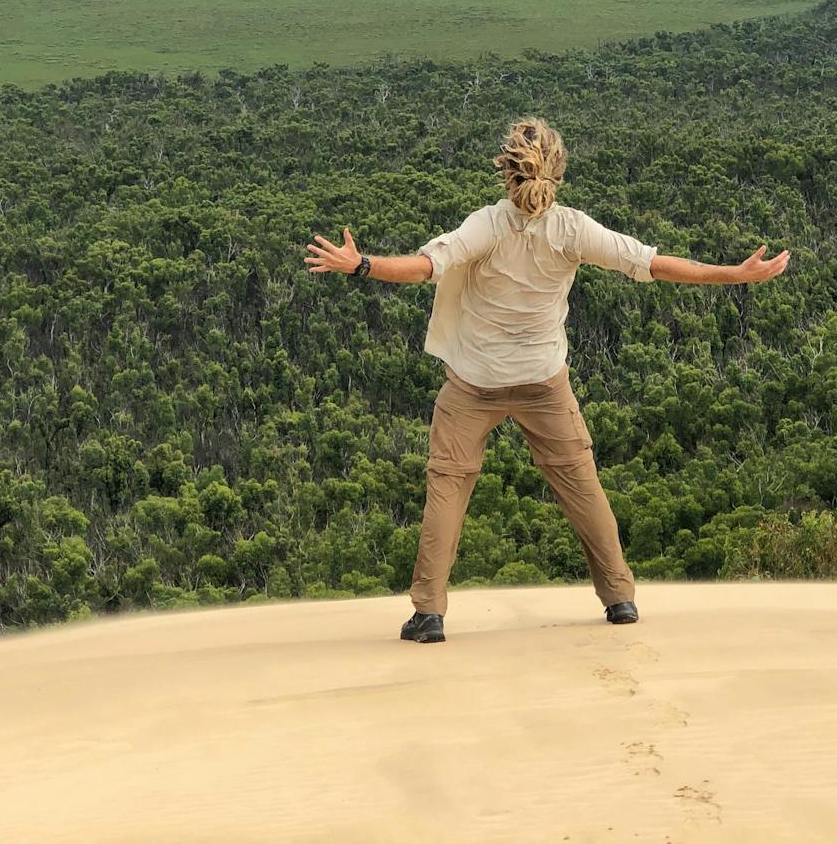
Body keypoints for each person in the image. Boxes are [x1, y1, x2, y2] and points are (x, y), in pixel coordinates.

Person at [305, 117, 790, 643]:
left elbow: (427, 266)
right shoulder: (572, 229)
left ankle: (429, 614)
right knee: (581, 484)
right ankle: (620, 598)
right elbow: (648, 264)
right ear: (558, 172)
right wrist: (733, 275)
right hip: (543, 379)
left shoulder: (486, 226)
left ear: (505, 172)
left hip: (474, 381)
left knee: (448, 485)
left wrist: (360, 265)